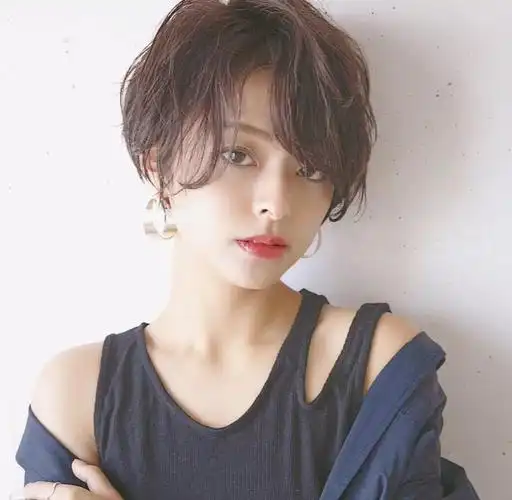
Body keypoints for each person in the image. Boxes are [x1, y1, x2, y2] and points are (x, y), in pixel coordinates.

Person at [15, 0, 480, 499]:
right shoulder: (76, 396)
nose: (276, 204)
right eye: (237, 154)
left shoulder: (378, 369)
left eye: (310, 169)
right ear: (158, 166)